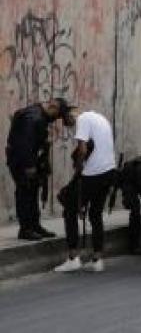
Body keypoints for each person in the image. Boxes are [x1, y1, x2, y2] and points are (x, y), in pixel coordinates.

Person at [54, 108, 116, 273]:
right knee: (95, 214)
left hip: (92, 174)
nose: (69, 126)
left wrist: (79, 169)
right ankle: (97, 260)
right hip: (108, 172)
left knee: (70, 210)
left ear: (70, 115)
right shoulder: (101, 118)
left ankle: (73, 258)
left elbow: (82, 149)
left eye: (67, 122)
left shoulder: (82, 120)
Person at [5, 97, 71, 240]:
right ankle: (25, 229)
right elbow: (25, 144)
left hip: (28, 160)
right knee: (25, 193)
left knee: (33, 192)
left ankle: (34, 226)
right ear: (53, 107)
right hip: (21, 162)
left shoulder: (40, 115)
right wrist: (29, 166)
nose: (57, 119)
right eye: (58, 115)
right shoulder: (33, 117)